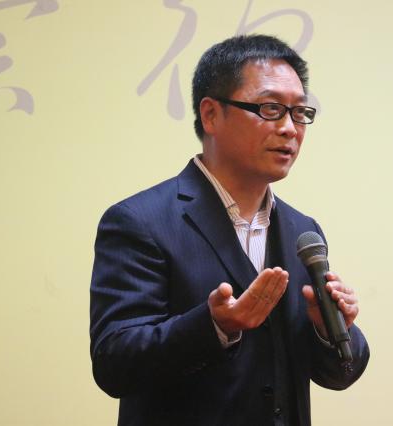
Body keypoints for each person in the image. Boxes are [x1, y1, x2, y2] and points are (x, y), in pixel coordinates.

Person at [90, 34, 369, 426]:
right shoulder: (140, 221)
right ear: (211, 115)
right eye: (271, 109)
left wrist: (330, 330)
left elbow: (339, 373)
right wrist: (215, 326)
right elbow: (114, 362)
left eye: (299, 112)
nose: (290, 128)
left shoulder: (303, 232)